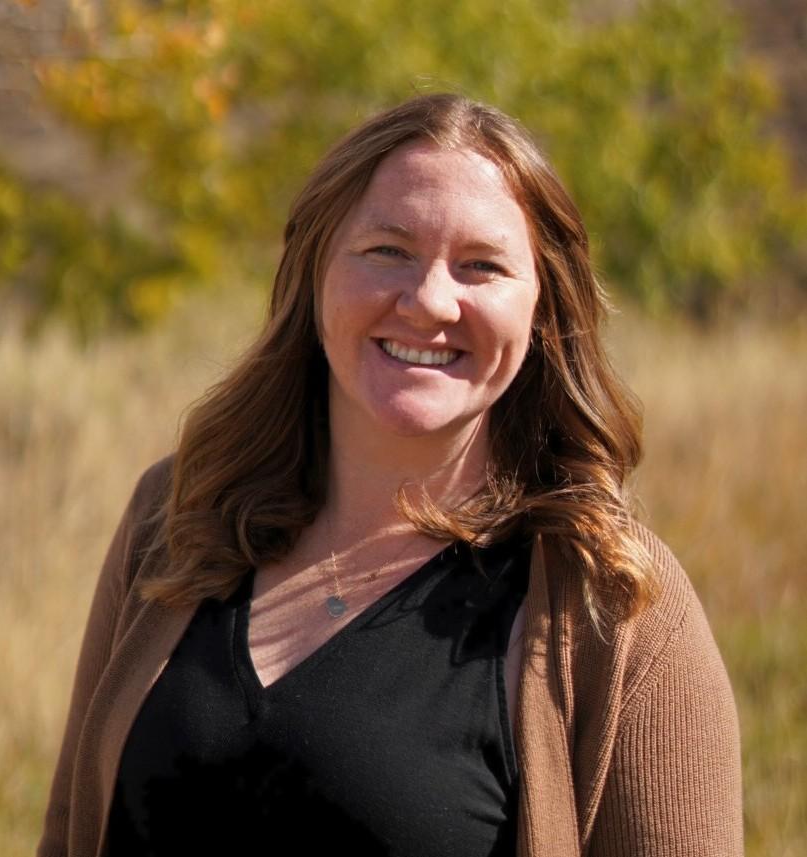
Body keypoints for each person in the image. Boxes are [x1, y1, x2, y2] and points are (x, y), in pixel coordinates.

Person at [37, 93, 742, 857]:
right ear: (313, 272)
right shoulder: (178, 514)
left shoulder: (612, 602)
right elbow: (69, 832)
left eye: (481, 266)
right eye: (386, 250)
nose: (429, 299)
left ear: (541, 309)